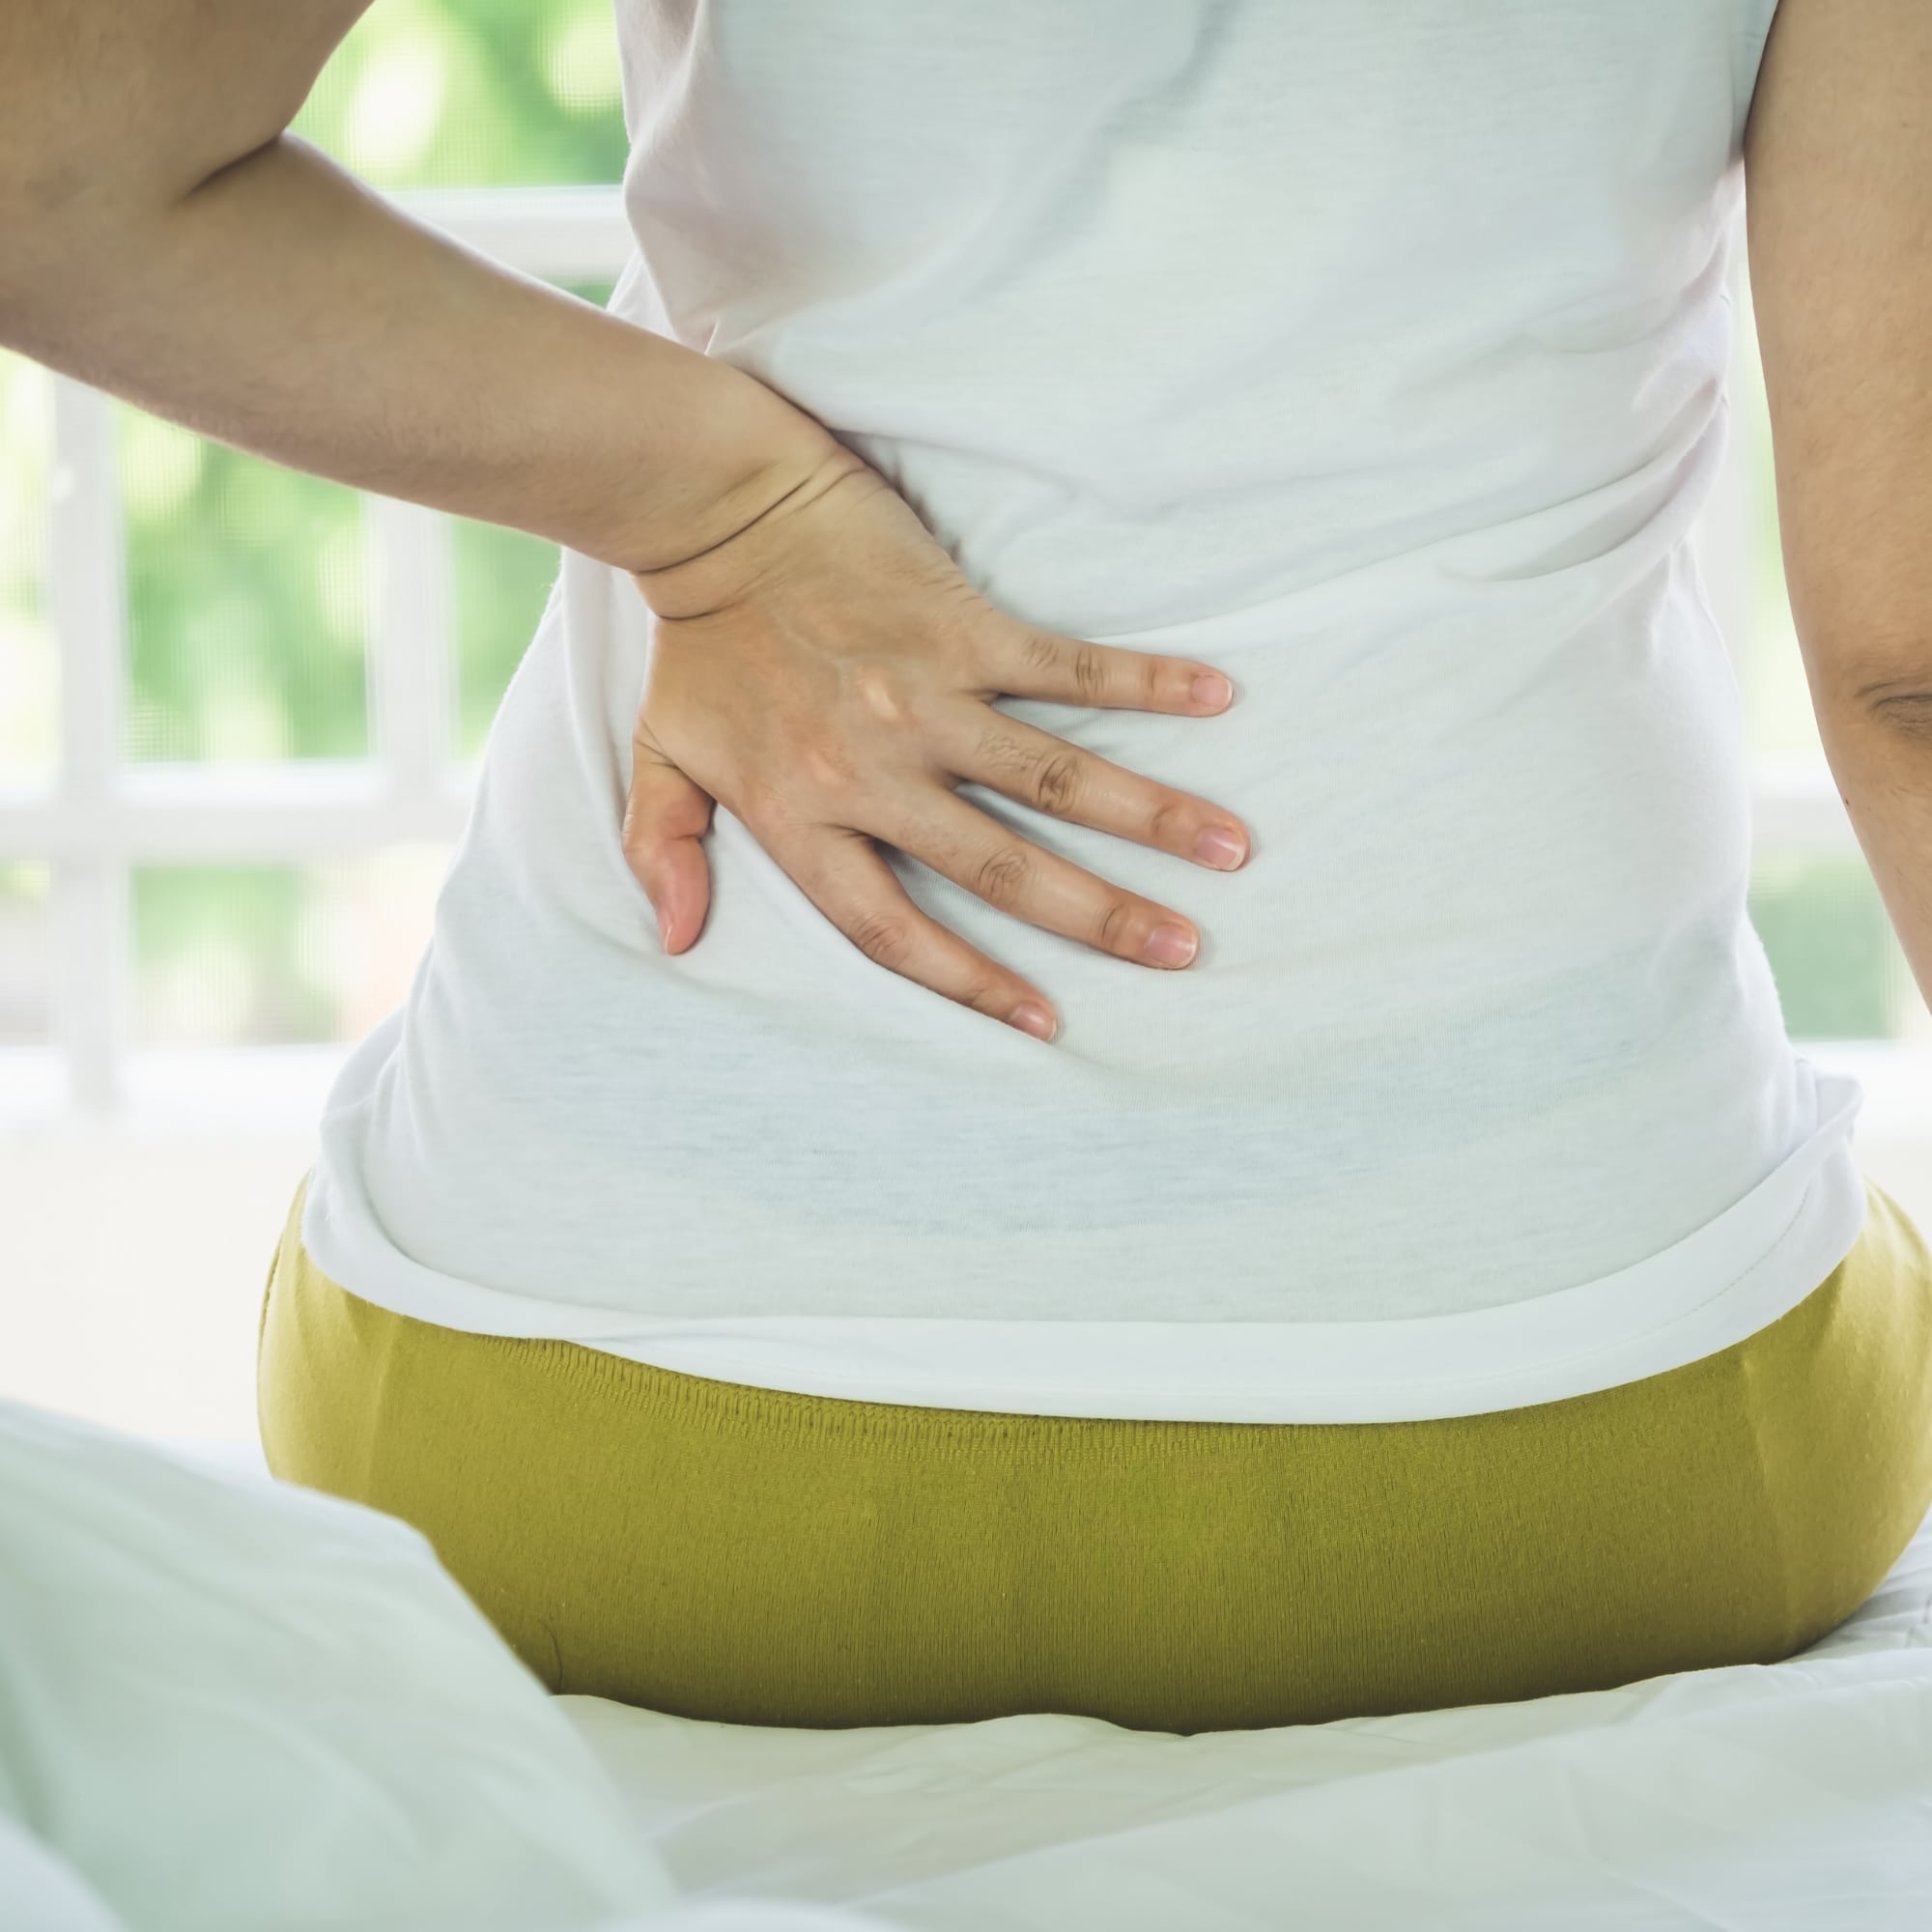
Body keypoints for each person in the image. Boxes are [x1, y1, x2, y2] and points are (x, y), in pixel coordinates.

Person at [6, 0, 1930, 1736]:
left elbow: (45, 163)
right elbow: (1907, 659)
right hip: (1596, 1429)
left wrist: (720, 509)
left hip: (581, 1421)